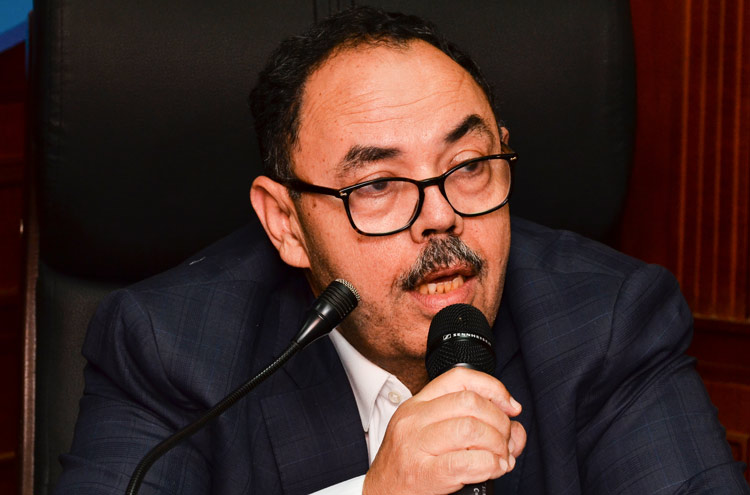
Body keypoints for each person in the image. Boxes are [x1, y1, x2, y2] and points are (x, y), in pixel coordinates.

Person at [54, 6, 748, 494]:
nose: (442, 216)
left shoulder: (608, 323)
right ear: (286, 223)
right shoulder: (171, 348)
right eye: (379, 184)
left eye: (468, 165)